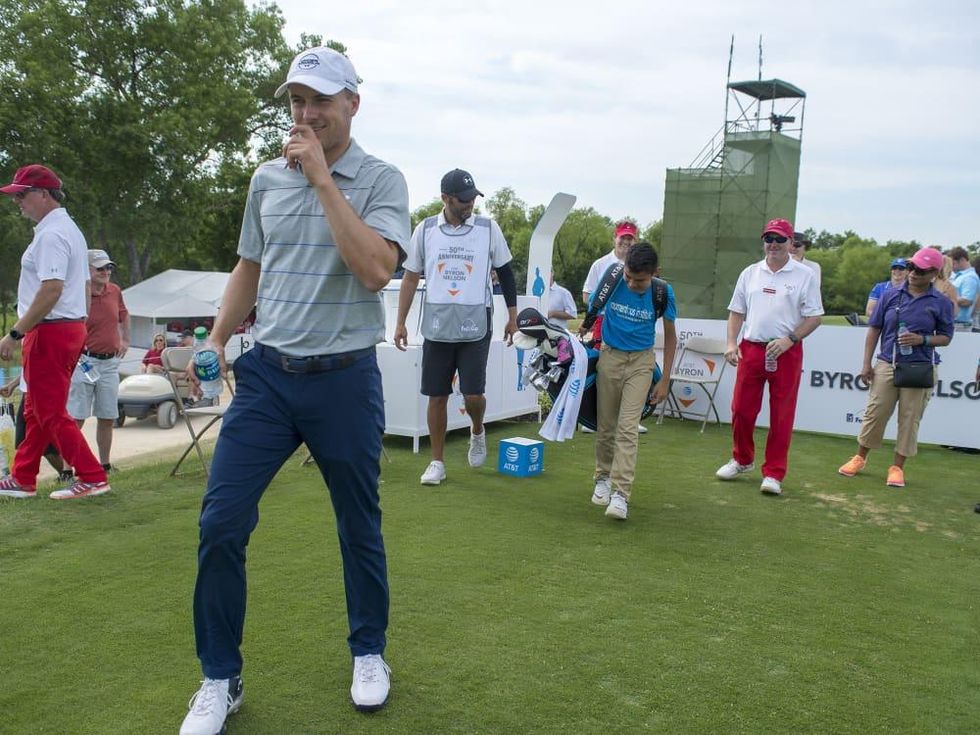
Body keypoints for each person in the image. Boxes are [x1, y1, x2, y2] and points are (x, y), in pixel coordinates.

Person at [178, 46, 410, 735]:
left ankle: (368, 651)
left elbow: (375, 271)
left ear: (352, 105)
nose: (305, 115)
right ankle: (220, 677)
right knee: (220, 522)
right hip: (269, 378)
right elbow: (249, 266)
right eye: (296, 102)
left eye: (320, 101)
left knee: (358, 524)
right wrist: (217, 337)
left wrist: (322, 181)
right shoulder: (265, 180)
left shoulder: (382, 179)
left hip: (345, 378)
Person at [393, 168, 518, 486]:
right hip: (437, 324)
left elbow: (505, 273)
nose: (470, 204)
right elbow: (410, 276)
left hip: (476, 323)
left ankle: (477, 429)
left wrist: (513, 316)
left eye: (472, 198)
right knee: (436, 395)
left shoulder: (488, 228)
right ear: (446, 199)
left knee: (473, 394)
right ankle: (437, 462)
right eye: (463, 200)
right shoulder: (425, 229)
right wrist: (400, 322)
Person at [0, 164, 110, 500]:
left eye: (22, 194)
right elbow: (82, 285)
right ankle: (22, 478)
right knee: (35, 408)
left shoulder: (51, 234)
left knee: (48, 411)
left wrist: (15, 333)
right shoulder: (68, 229)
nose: (18, 201)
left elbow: (51, 290)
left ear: (43, 194)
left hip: (50, 329)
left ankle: (93, 476)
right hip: (65, 327)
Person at [715, 218, 823, 496]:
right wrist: (731, 342)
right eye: (769, 239)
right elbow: (736, 311)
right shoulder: (750, 272)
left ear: (790, 242)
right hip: (751, 348)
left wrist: (790, 340)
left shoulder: (805, 275)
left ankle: (774, 473)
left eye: (779, 239)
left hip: (786, 351)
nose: (773, 244)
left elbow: (814, 317)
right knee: (741, 409)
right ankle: (742, 459)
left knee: (782, 415)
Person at [838, 247, 954, 487]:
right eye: (912, 267)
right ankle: (859, 457)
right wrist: (866, 363)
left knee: (910, 418)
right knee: (875, 412)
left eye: (921, 270)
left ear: (934, 273)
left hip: (921, 366)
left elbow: (946, 337)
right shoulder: (890, 295)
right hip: (887, 362)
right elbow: (874, 329)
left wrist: (922, 339)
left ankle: (897, 468)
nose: (913, 273)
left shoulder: (941, 302)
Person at [582, 243, 677, 520]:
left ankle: (621, 495)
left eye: (640, 280)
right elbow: (593, 308)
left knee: (627, 429)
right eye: (628, 277)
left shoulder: (663, 292)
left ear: (655, 273)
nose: (632, 284)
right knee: (606, 426)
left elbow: (671, 337)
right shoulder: (612, 278)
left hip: (641, 362)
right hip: (609, 357)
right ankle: (602, 478)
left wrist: (665, 380)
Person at [581, 220, 649, 434]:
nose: (626, 242)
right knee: (602, 369)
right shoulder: (601, 264)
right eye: (623, 238)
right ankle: (592, 417)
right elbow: (587, 296)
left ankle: (629, 417)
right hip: (605, 322)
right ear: (615, 238)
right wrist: (609, 307)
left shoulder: (641, 265)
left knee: (631, 373)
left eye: (630, 238)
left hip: (632, 323)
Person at [67, 249, 130, 473]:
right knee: (77, 417)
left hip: (110, 363)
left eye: (108, 267)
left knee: (107, 416)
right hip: (84, 361)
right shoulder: (76, 293)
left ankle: (105, 465)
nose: (106, 272)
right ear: (87, 270)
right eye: (100, 268)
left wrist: (126, 339)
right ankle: (67, 469)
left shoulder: (115, 290)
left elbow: (124, 314)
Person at [0, 376, 71, 481]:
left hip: (40, 392)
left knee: (45, 445)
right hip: (29, 392)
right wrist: (12, 385)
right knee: (24, 441)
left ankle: (69, 475)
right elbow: (28, 369)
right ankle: (20, 478)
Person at [947, 246, 979, 331]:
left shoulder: (969, 278)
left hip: (960, 325)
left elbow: (967, 301)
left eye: (953, 264)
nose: (951, 267)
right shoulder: (961, 276)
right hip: (957, 323)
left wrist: (944, 298)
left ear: (962, 260)